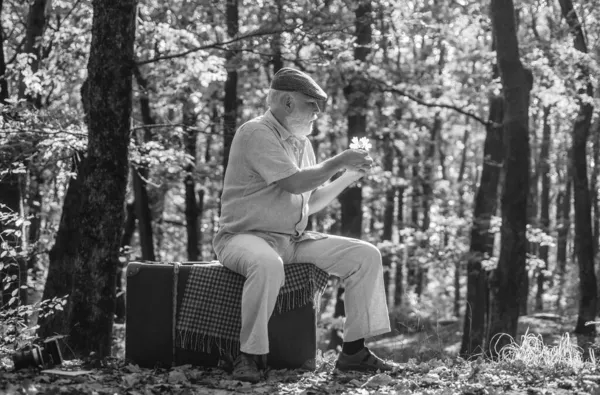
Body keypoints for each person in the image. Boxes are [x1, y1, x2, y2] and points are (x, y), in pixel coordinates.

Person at [213, 67, 394, 383]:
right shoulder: (256, 133)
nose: (318, 112)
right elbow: (295, 183)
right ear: (286, 102)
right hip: (243, 237)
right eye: (312, 104)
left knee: (366, 255)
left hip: (291, 240)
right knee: (268, 264)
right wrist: (339, 161)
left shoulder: (301, 143)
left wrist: (350, 175)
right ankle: (249, 356)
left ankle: (353, 353)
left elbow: (311, 199)